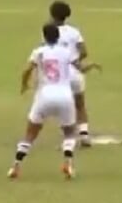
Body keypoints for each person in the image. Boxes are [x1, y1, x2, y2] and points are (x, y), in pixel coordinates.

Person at [9, 24, 101, 180]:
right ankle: (68, 164)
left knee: (30, 134)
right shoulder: (66, 53)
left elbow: (26, 70)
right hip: (65, 96)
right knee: (69, 133)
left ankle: (16, 166)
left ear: (44, 36)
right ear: (58, 36)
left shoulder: (38, 52)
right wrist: (91, 66)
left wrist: (24, 85)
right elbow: (80, 68)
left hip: (44, 96)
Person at [50, 0, 94, 147]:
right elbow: (84, 52)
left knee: (63, 106)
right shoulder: (74, 31)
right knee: (80, 104)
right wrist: (74, 60)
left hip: (59, 76)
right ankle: (84, 135)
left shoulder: (48, 32)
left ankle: (68, 138)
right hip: (75, 73)